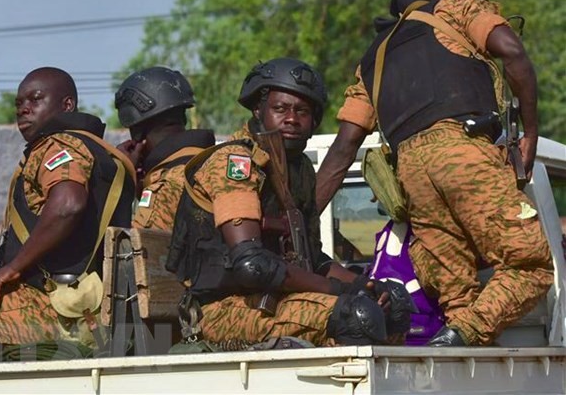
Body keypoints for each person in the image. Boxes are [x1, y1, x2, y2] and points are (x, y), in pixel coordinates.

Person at [315, 0, 554, 346]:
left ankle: (459, 338)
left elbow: (343, 148)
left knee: (458, 295)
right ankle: (466, 330)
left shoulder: (373, 59)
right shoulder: (455, 9)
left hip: (413, 176)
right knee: (531, 266)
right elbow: (512, 51)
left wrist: (304, 219)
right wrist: (531, 132)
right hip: (465, 151)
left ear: (399, 5)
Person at [168, 57, 414, 348]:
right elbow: (252, 264)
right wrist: (340, 292)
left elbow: (313, 259)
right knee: (355, 316)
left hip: (275, 300)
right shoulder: (236, 163)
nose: (292, 119)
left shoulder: (299, 171)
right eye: (280, 109)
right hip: (222, 310)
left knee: (393, 307)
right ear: (258, 110)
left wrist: (364, 286)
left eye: (303, 112)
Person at [0, 67, 135, 362]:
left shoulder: (57, 144)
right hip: (89, 313)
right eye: (19, 103)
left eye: (35, 99)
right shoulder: (100, 152)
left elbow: (68, 204)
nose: (23, 109)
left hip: (50, 308)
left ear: (66, 105)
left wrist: (12, 268)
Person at [114, 66, 216, 232]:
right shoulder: (210, 162)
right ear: (182, 118)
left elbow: (134, 250)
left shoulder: (165, 186)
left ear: (138, 132)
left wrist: (123, 182)